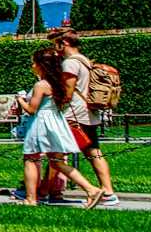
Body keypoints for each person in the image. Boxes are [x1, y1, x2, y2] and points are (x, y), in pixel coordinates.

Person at [15, 46, 103, 209]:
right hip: (55, 122)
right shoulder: (57, 83)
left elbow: (32, 109)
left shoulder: (40, 85)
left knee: (30, 158)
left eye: (34, 63)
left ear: (42, 65)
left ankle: (31, 198)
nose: (32, 66)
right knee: (57, 161)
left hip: (40, 123)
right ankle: (91, 189)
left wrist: (20, 101)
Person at [48, 27, 119, 207]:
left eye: (56, 44)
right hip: (89, 114)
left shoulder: (70, 63)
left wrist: (53, 104)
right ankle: (108, 191)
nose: (55, 48)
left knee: (57, 154)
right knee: (94, 153)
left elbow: (68, 92)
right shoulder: (86, 61)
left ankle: (49, 191)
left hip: (74, 115)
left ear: (63, 43)